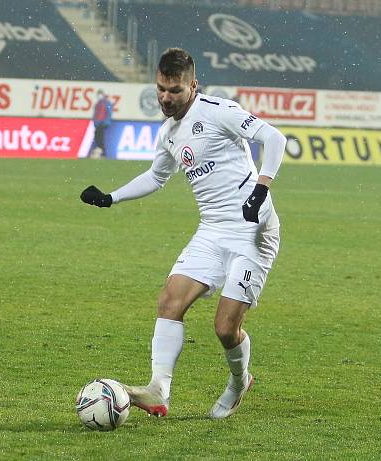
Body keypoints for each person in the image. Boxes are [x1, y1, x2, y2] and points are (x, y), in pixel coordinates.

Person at [80, 48, 285, 419]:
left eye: (174, 90)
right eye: (160, 89)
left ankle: (239, 382)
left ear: (193, 85)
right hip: (212, 229)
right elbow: (156, 176)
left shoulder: (218, 111)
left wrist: (260, 189)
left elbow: (274, 139)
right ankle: (159, 389)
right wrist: (111, 198)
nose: (165, 98)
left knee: (225, 329)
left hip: (253, 229)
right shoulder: (169, 132)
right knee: (169, 302)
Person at [90, 90, 113, 158]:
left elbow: (109, 113)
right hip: (98, 124)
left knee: (100, 138)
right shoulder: (98, 103)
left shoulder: (106, 103)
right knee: (97, 138)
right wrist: (95, 122)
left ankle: (102, 153)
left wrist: (106, 122)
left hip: (102, 124)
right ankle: (100, 152)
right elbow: (95, 114)